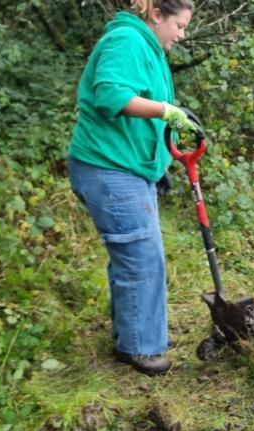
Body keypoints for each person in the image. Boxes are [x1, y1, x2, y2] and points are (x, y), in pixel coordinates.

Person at [66, 0, 199, 376]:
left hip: (128, 167)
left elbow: (140, 109)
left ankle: (134, 332)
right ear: (157, 15)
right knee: (141, 256)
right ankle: (140, 346)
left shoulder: (149, 47)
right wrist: (166, 111)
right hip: (107, 168)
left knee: (134, 254)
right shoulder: (126, 40)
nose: (182, 34)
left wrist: (159, 163)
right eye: (180, 25)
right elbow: (113, 96)